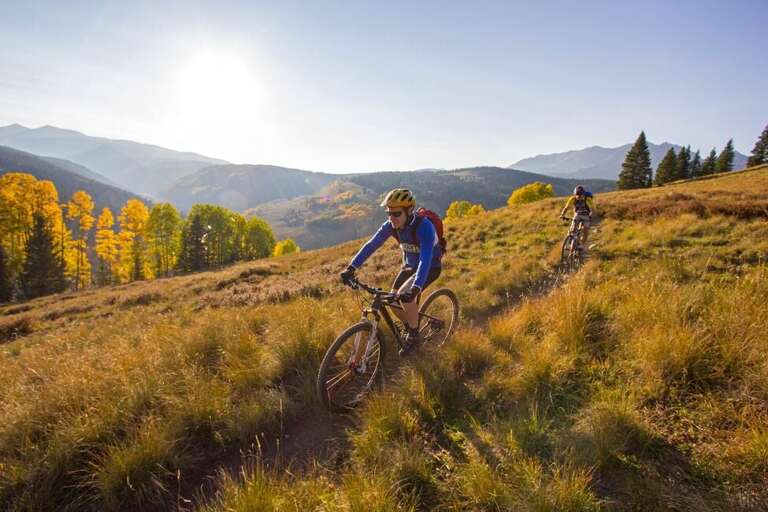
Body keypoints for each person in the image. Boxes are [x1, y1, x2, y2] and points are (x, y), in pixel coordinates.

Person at [340, 188, 442, 355]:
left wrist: (416, 287)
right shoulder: (390, 226)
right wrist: (351, 267)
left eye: (396, 214)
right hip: (409, 266)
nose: (391, 218)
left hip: (430, 266)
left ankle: (414, 336)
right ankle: (411, 325)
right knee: (392, 298)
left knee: (406, 296)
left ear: (409, 211)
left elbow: (425, 259)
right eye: (389, 213)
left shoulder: (425, 227)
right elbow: (372, 244)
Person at [559, 185, 595, 249]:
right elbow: (566, 208)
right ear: (575, 194)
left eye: (580, 195)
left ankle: (581, 245)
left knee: (585, 230)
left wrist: (590, 215)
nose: (579, 196)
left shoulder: (588, 199)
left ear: (583, 194)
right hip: (577, 214)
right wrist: (562, 214)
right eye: (577, 195)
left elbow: (592, 209)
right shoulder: (573, 199)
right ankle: (569, 240)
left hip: (586, 215)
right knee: (572, 228)